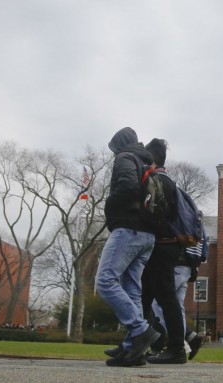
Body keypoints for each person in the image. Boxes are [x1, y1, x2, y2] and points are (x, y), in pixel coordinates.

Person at [95, 127, 161, 367]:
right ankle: (133, 349)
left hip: (128, 229)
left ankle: (140, 330)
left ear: (118, 145)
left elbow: (127, 187)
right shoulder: (146, 162)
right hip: (147, 235)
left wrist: (109, 206)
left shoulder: (125, 157)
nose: (113, 154)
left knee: (105, 281)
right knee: (132, 289)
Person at [134, 138, 188, 364]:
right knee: (146, 296)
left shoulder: (156, 181)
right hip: (168, 246)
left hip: (161, 246)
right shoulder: (169, 182)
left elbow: (153, 215)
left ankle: (176, 348)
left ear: (151, 160)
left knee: (165, 297)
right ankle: (135, 344)